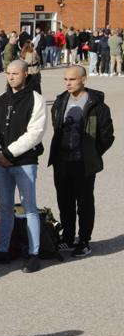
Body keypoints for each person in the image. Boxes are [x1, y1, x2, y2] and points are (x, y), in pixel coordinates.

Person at [0, 60, 47, 271]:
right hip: (1, 163)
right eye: (8, 73)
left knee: (29, 208)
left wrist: (10, 152)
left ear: (26, 74)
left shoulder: (35, 99)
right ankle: (2, 250)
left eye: (16, 73)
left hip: (24, 163)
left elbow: (35, 133)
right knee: (5, 207)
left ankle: (34, 253)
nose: (11, 77)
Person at [49, 65, 115, 257]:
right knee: (64, 201)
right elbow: (57, 127)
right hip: (62, 161)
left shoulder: (98, 106)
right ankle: (68, 238)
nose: (68, 83)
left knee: (84, 203)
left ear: (83, 80)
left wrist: (92, 153)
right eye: (65, 79)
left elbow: (107, 137)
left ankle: (84, 240)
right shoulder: (60, 101)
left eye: (72, 79)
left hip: (83, 163)